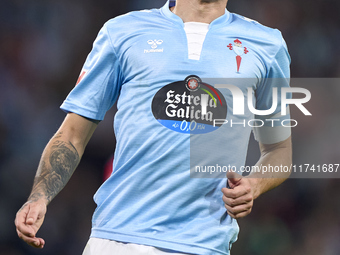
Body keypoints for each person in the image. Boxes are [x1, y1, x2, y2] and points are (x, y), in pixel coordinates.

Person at [15, 0, 292, 254]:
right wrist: (39, 197)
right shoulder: (122, 32)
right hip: (116, 240)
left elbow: (279, 150)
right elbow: (73, 134)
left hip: (202, 245)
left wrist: (253, 185)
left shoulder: (267, 45)